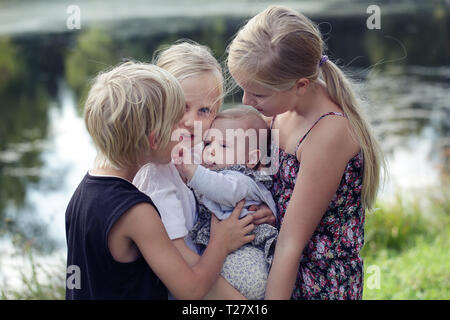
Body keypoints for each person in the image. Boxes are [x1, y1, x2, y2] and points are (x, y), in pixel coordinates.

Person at [227, 5, 384, 299]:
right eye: (243, 89)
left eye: (258, 94)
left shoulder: (328, 133)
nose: (247, 101)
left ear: (300, 85)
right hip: (278, 264)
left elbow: (290, 244)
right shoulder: (282, 110)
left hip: (316, 281)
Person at [65, 61, 255, 300]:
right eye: (177, 122)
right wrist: (221, 243)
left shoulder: (83, 192)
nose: (185, 127)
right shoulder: (137, 212)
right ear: (155, 140)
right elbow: (191, 290)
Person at [133, 41, 275, 299]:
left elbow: (239, 178)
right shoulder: (158, 174)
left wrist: (260, 208)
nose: (191, 122)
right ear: (159, 103)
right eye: (182, 107)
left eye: (204, 110)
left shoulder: (201, 149)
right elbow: (179, 256)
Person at [175, 107, 278, 299]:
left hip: (246, 259)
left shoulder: (241, 179)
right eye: (208, 143)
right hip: (227, 257)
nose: (211, 151)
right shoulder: (216, 173)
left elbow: (224, 190)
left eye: (223, 146)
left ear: (252, 158)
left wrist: (190, 171)